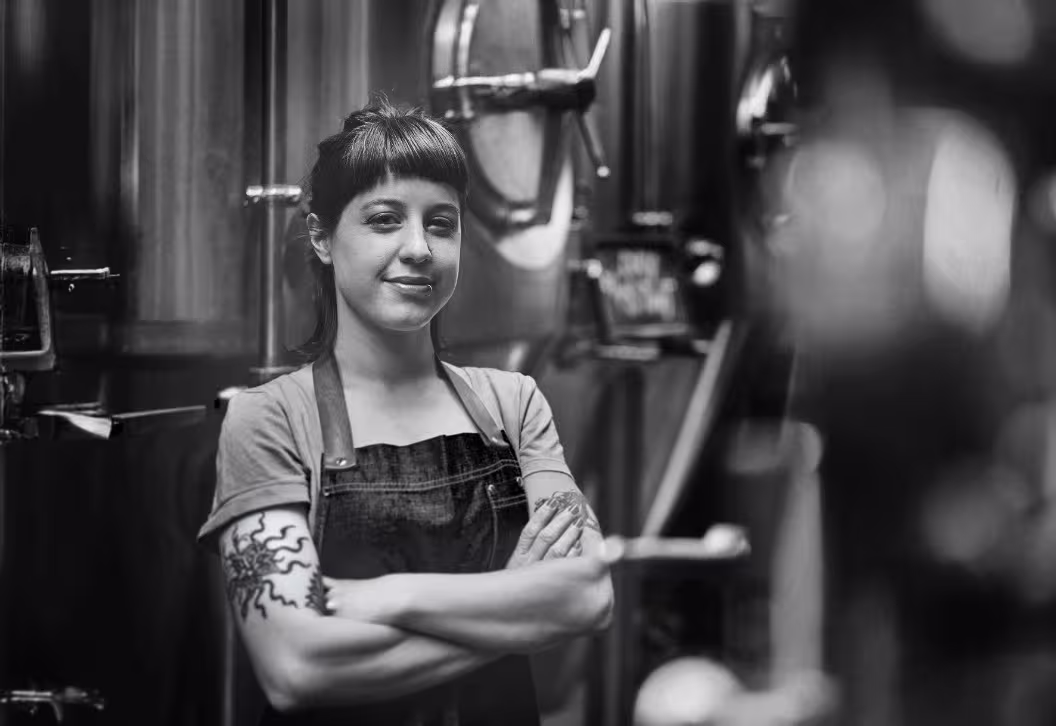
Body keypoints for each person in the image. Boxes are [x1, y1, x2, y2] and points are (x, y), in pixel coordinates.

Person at [198, 99, 614, 725]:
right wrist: (516, 607)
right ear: (321, 238)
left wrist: (394, 597)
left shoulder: (512, 402)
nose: (419, 248)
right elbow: (295, 667)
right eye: (385, 219)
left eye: (441, 224)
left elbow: (587, 595)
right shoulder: (269, 419)